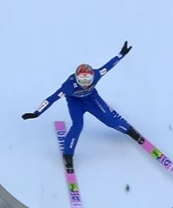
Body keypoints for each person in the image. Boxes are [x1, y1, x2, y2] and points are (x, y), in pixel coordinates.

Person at [21, 41, 144, 173]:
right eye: (82, 82)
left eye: (88, 81)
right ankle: (68, 154)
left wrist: (121, 54)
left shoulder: (97, 74)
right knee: (78, 125)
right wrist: (36, 113)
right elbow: (52, 98)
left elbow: (108, 66)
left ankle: (129, 130)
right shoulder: (68, 86)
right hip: (75, 103)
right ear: (76, 79)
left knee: (110, 120)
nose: (85, 84)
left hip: (92, 99)